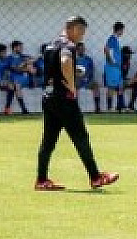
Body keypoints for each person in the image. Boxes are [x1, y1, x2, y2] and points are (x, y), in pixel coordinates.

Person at [33, 16, 120, 191]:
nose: (82, 36)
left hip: (48, 97)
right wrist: (72, 85)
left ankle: (41, 180)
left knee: (48, 141)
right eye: (82, 31)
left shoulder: (51, 46)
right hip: (64, 98)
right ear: (74, 29)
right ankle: (95, 177)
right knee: (81, 137)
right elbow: (65, 61)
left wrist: (74, 71)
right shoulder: (68, 45)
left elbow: (54, 68)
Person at [5, 40, 34, 114]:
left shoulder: (24, 56)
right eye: (20, 47)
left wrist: (26, 66)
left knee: (17, 85)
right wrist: (24, 65)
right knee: (11, 86)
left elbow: (33, 61)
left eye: (22, 47)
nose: (22, 49)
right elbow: (14, 69)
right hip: (12, 78)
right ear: (14, 48)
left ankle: (23, 109)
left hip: (22, 78)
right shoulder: (9, 58)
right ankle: (7, 108)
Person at [103, 22, 126, 112]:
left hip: (117, 67)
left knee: (120, 86)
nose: (123, 32)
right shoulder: (112, 39)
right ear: (119, 30)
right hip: (112, 67)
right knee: (111, 87)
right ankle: (109, 108)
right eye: (122, 30)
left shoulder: (116, 39)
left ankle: (120, 107)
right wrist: (111, 62)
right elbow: (107, 50)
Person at [74, 42, 102, 113]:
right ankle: (75, 108)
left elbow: (91, 70)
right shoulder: (74, 59)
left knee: (96, 85)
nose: (82, 50)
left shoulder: (88, 59)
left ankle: (97, 107)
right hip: (77, 80)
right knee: (73, 87)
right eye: (80, 49)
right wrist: (77, 77)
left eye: (83, 49)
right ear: (77, 50)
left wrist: (87, 77)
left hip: (87, 80)